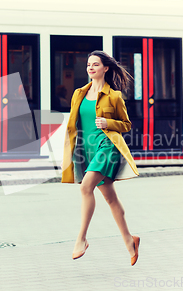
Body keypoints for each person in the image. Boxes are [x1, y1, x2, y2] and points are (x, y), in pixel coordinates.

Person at [61, 50, 140, 266]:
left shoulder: (114, 96)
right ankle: (130, 241)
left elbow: (127, 124)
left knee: (86, 188)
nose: (90, 68)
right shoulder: (79, 93)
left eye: (95, 64)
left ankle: (81, 239)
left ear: (105, 68)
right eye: (88, 64)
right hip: (86, 150)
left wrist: (109, 123)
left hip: (107, 148)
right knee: (110, 198)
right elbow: (74, 123)